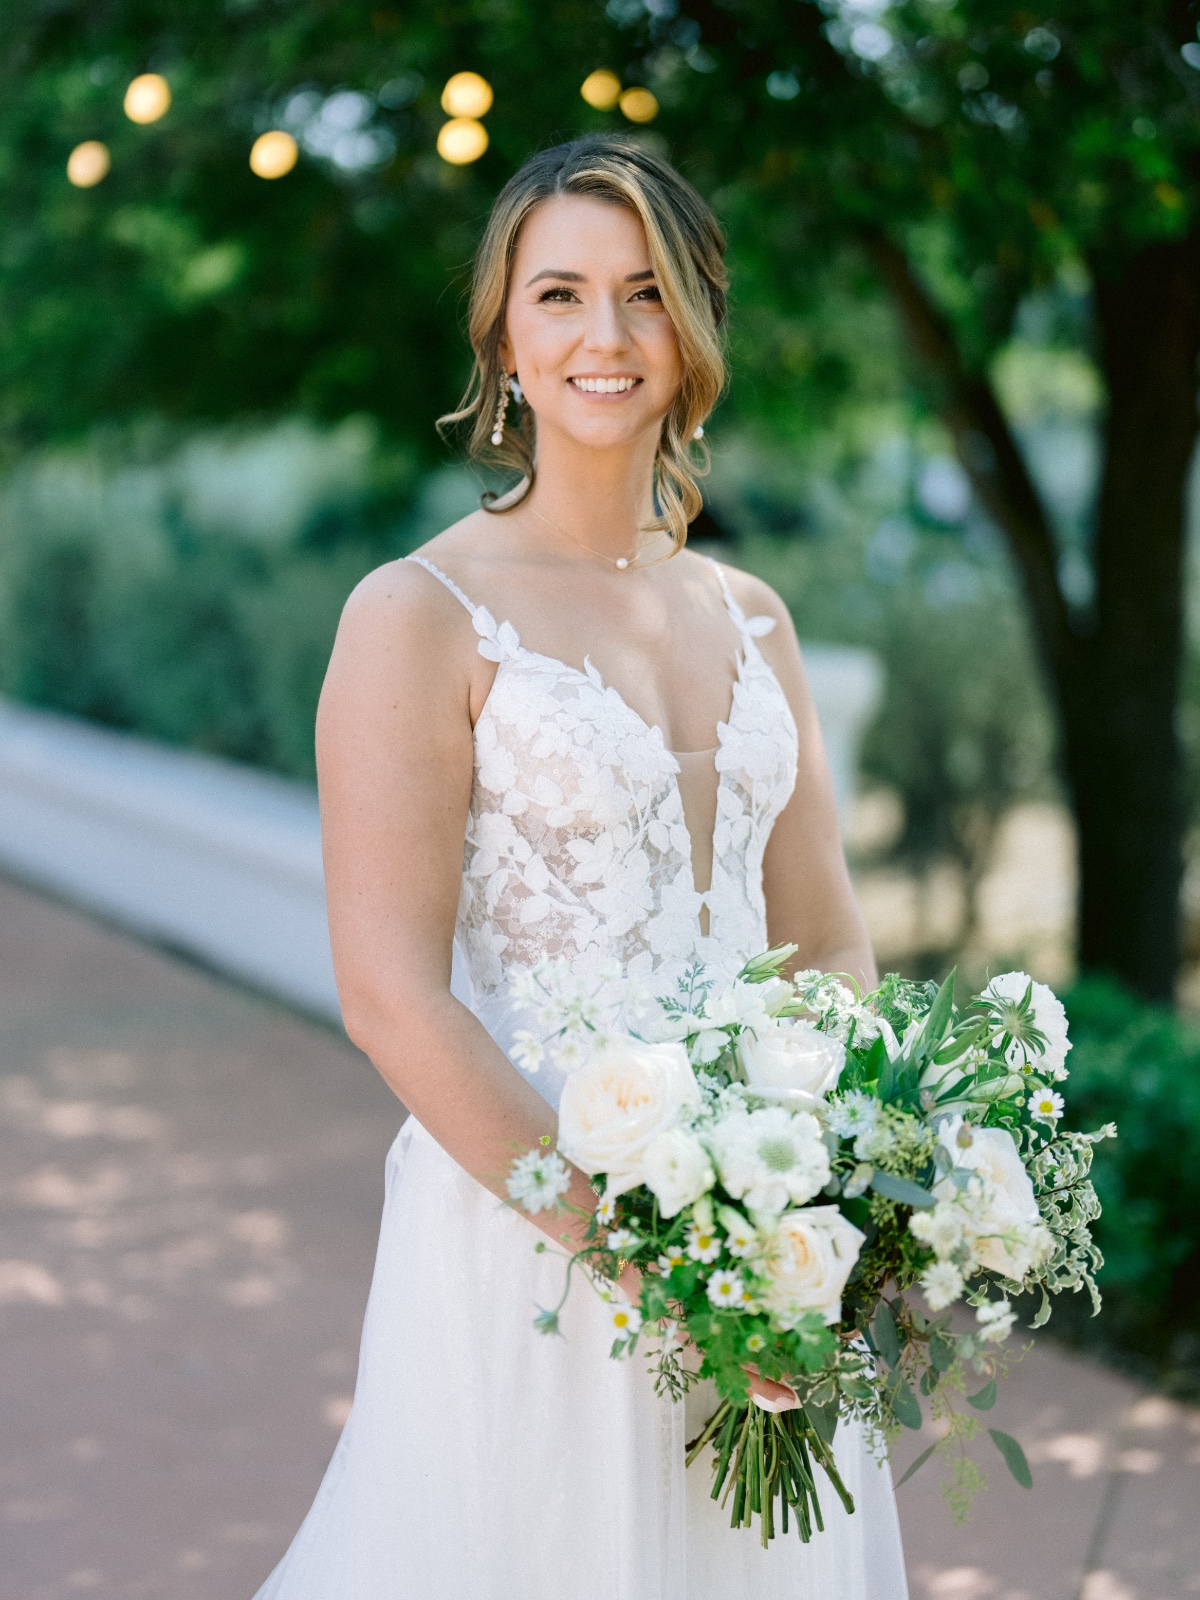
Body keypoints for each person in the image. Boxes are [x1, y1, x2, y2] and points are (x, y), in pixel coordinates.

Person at [252, 135, 908, 1600]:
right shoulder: (414, 616)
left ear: (695, 328)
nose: (604, 338)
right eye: (560, 295)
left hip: (767, 1265)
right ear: (502, 336)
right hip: (531, 1248)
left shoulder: (754, 619)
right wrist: (648, 1264)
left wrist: (832, 1209)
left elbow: (825, 942)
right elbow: (391, 998)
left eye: (643, 296)